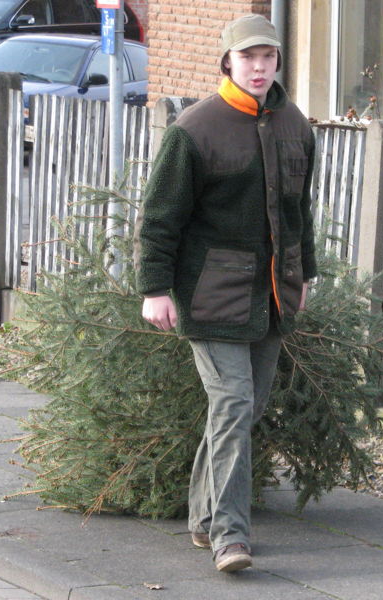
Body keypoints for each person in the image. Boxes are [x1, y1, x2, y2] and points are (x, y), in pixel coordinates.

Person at [136, 14, 316, 573]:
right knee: (234, 403)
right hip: (209, 294)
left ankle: (202, 515)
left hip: (273, 294)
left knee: (243, 408)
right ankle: (230, 537)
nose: (259, 68)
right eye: (247, 57)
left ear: (277, 61)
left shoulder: (296, 125)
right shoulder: (195, 128)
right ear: (227, 61)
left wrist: (304, 275)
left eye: (268, 57)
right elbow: (160, 217)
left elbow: (300, 212)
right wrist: (154, 288)